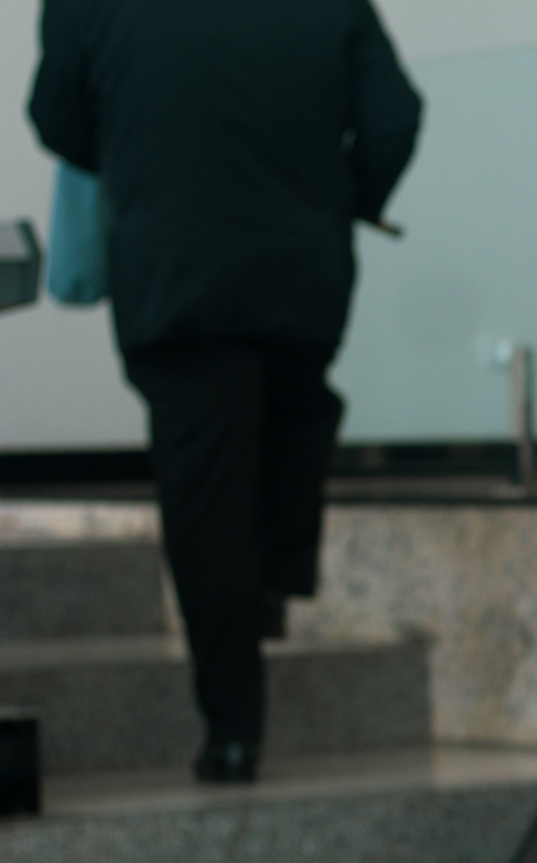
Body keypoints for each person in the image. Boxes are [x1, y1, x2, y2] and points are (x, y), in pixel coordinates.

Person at [28, 0, 422, 782]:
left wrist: (143, 143)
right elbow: (393, 117)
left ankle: (233, 729)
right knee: (298, 413)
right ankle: (272, 577)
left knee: (205, 498)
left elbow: (58, 119)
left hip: (174, 269)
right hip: (301, 264)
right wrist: (346, 199)